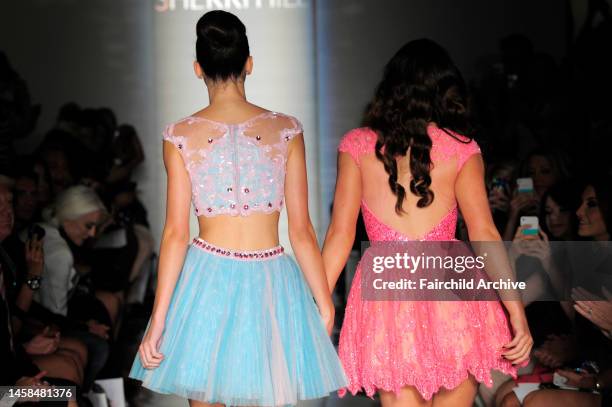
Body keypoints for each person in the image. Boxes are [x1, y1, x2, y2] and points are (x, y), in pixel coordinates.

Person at [128, 10, 346, 407]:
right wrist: (324, 299)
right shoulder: (286, 129)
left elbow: (176, 233)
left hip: (205, 279)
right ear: (249, 63)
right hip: (272, 282)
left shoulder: (179, 135)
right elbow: (302, 230)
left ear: (198, 68)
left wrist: (159, 318)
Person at [322, 39, 532, 407]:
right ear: (444, 90)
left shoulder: (357, 146)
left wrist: (318, 306)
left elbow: (340, 235)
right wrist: (515, 309)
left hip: (388, 298)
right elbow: (484, 233)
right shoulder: (462, 148)